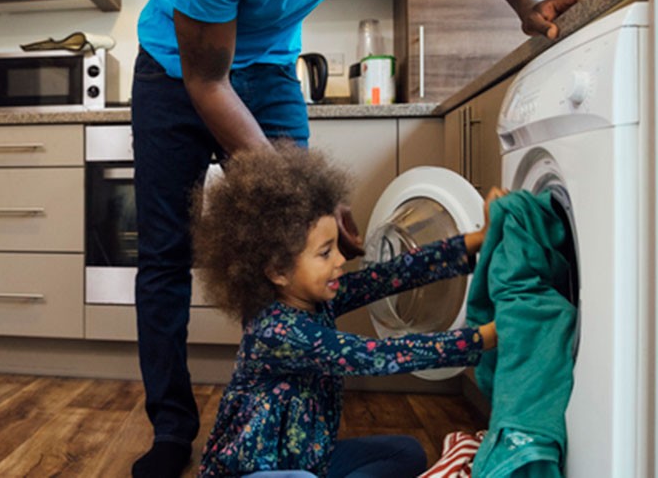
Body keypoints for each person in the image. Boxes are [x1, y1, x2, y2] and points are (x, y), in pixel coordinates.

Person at [129, 0, 583, 475]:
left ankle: (296, 424)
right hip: (181, 74)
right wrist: (300, 191)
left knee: (322, 255)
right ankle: (172, 432)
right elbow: (208, 80)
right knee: (168, 255)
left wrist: (528, 0)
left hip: (270, 67)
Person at [192, 143, 499, 477]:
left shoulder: (317, 299)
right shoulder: (277, 332)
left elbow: (388, 277)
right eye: (325, 253)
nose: (340, 260)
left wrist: (477, 239)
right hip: (250, 473)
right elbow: (376, 355)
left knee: (407, 452)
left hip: (308, 460)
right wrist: (481, 339)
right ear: (278, 271)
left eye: (335, 246)